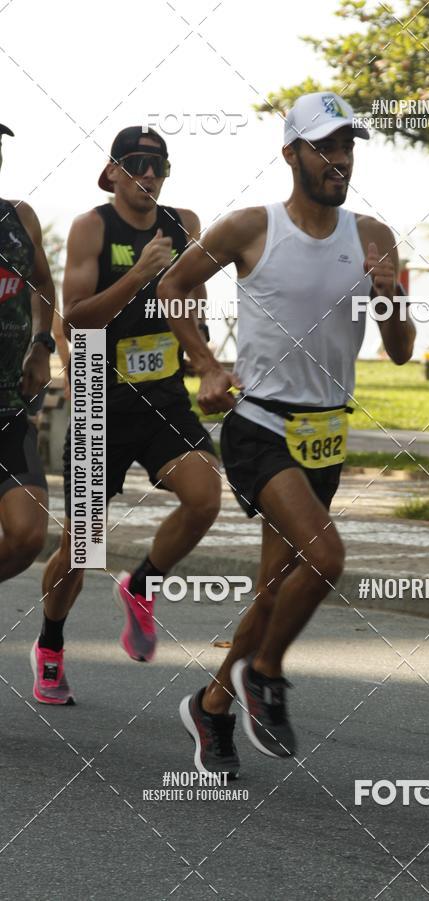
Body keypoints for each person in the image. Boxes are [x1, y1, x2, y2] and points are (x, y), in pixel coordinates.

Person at [158, 92, 416, 776]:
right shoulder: (251, 227)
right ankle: (264, 674)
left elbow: (400, 350)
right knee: (325, 557)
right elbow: (173, 286)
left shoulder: (374, 236)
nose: (340, 159)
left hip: (325, 434)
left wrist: (389, 297)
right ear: (291, 154)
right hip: (260, 424)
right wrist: (206, 364)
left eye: (347, 146)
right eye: (325, 146)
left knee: (275, 588)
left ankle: (212, 705)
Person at [34, 126, 229, 705]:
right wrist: (140, 274)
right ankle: (50, 646)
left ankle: (141, 585)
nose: (148, 175)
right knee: (83, 547)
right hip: (101, 395)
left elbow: (189, 301)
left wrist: (204, 361)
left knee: (205, 496)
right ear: (113, 172)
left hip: (163, 393)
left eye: (158, 166)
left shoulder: (184, 224)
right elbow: (77, 318)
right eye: (137, 164)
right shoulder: (92, 226)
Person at [0, 122, 57, 586]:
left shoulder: (20, 217)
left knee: (27, 537)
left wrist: (42, 344)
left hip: (9, 406)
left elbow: (41, 282)